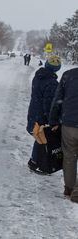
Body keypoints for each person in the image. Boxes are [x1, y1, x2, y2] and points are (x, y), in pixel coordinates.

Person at [27, 55, 61, 174]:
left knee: (39, 138)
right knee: (43, 139)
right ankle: (41, 164)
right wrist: (52, 119)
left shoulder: (38, 76)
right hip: (42, 116)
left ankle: (34, 162)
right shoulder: (52, 83)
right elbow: (49, 103)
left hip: (34, 112)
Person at [49, 65, 78, 202]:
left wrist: (53, 120)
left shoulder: (68, 75)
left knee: (69, 156)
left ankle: (70, 189)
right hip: (70, 121)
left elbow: (57, 99)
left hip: (70, 124)